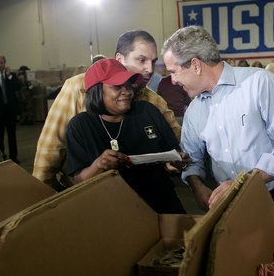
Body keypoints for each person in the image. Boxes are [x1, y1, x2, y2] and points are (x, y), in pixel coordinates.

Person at [162, 25, 274, 212]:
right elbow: (192, 158)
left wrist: (245, 182)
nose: (173, 80)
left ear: (196, 65)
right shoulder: (194, 110)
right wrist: (197, 187)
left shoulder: (259, 83)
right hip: (231, 205)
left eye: (174, 71)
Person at [33, 30, 181, 188]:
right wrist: (41, 197)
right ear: (119, 58)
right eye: (141, 60)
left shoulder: (154, 102)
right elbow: (49, 151)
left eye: (153, 61)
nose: (150, 69)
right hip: (89, 193)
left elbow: (176, 144)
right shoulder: (78, 88)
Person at [66, 59, 186, 214]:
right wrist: (99, 165)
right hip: (111, 211)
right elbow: (78, 181)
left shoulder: (147, 111)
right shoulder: (81, 125)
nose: (127, 91)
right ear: (96, 91)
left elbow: (172, 154)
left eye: (128, 85)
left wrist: (175, 163)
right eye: (117, 86)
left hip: (161, 202)